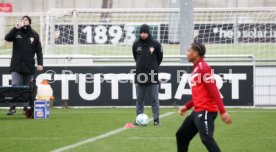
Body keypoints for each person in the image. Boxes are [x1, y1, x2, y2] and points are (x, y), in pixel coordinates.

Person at [176, 43, 232, 152]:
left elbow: (214, 90)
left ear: (195, 53)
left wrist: (223, 112)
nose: (186, 54)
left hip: (206, 111)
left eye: (188, 51)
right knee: (181, 135)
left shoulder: (203, 68)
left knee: (206, 139)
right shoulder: (196, 69)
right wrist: (186, 107)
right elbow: (200, 94)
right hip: (197, 111)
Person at [4, 15, 43, 115]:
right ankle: (12, 107)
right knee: (15, 87)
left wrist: (40, 63)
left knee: (27, 88)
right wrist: (15, 28)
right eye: (22, 19)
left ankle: (26, 107)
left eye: (26, 19)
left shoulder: (34, 34)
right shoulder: (16, 32)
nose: (23, 21)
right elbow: (7, 38)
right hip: (16, 65)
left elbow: (39, 51)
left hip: (29, 66)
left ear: (29, 22)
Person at [132, 24, 163, 125]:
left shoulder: (155, 44)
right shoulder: (136, 44)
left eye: (145, 33)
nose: (143, 35)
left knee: (154, 98)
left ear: (148, 32)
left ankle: (156, 120)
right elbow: (136, 58)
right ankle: (138, 119)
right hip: (140, 75)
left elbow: (160, 58)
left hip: (152, 74)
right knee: (139, 99)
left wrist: (152, 67)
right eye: (142, 33)